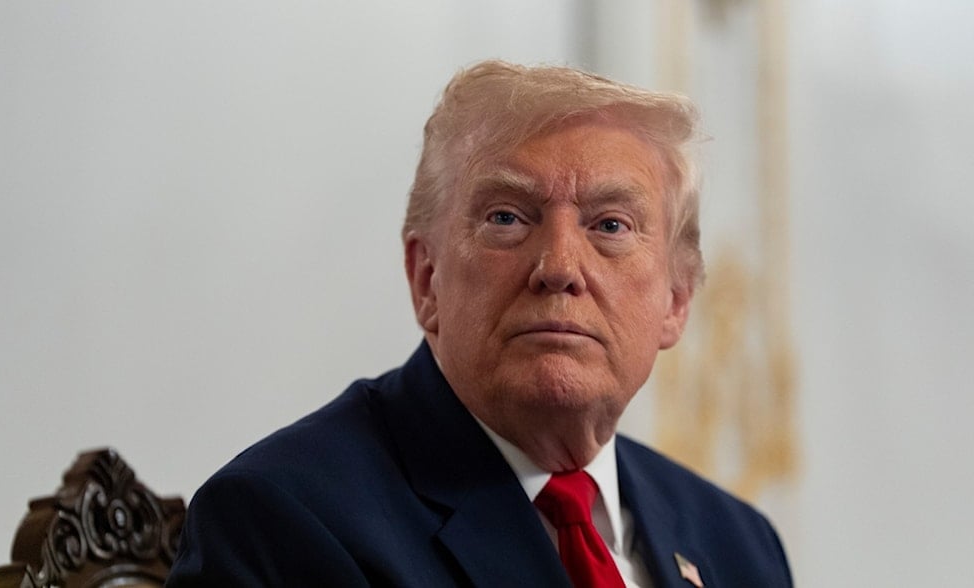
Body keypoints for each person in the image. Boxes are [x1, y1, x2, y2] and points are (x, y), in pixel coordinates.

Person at [167, 60, 793, 587]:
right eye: (506, 218)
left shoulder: (739, 545)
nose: (559, 268)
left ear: (676, 300)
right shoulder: (282, 519)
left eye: (610, 225)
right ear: (427, 278)